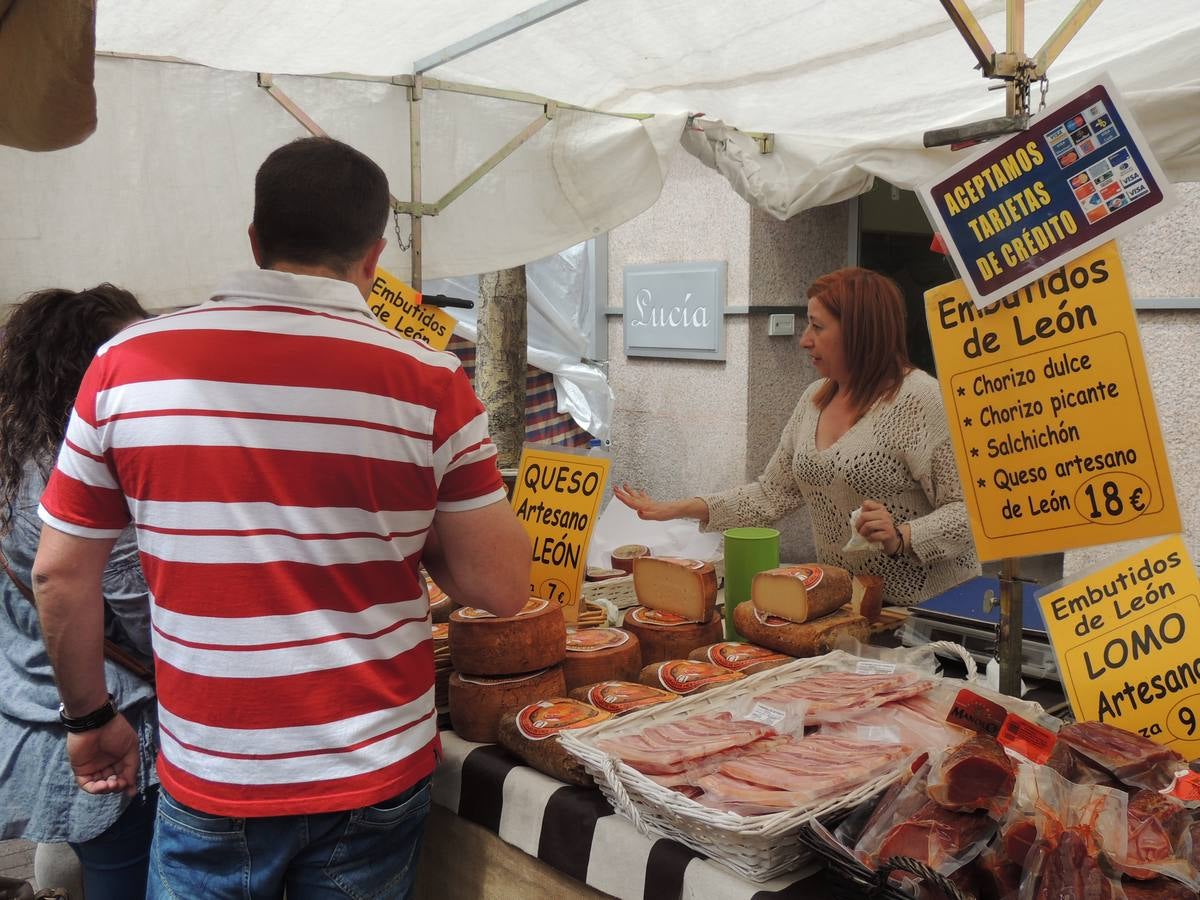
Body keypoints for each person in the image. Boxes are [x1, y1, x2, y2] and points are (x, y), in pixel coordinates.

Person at [32, 137, 532, 899]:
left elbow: (59, 574)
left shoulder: (124, 364)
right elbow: (501, 586)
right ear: (373, 256)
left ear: (256, 241)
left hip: (213, 769)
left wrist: (87, 717)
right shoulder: (430, 382)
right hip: (374, 769)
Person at [616, 267, 980, 606]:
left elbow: (970, 511)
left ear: (860, 331)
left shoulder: (921, 401)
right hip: (849, 605)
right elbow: (771, 493)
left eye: (817, 327)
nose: (805, 341)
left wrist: (902, 535)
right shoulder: (814, 398)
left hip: (931, 611)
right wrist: (677, 509)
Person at [0, 285, 158, 899]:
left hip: (33, 697)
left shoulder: (17, 452)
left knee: (87, 858)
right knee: (127, 869)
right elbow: (137, 608)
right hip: (105, 715)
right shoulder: (80, 464)